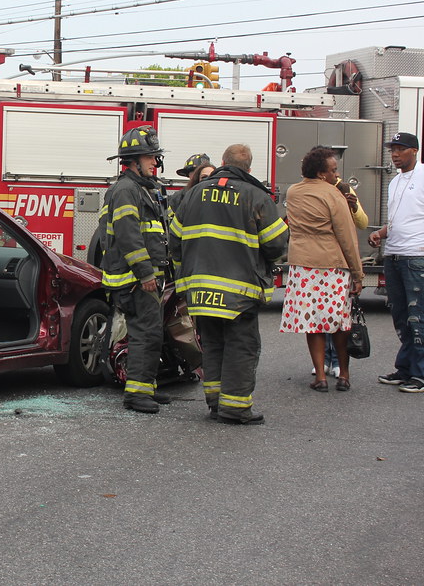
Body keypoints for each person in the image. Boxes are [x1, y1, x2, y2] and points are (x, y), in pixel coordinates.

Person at [169, 144, 288, 424]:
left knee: (212, 345)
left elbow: (174, 241)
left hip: (199, 290)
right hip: (239, 291)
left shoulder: (193, 194)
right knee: (241, 346)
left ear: (223, 162)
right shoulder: (256, 196)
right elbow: (276, 245)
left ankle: (215, 403)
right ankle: (234, 407)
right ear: (248, 168)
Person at [100, 125, 172, 414]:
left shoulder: (140, 190)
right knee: (146, 334)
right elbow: (130, 236)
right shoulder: (127, 190)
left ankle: (147, 387)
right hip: (134, 279)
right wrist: (145, 273)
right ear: (133, 160)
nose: (155, 162)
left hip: (141, 277)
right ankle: (137, 394)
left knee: (151, 333)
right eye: (150, 157)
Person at [280, 146, 364, 392]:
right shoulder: (333, 194)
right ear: (320, 173)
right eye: (333, 170)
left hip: (303, 265)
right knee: (338, 322)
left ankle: (320, 377)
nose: (336, 175)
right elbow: (347, 236)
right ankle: (344, 375)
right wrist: (357, 274)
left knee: (312, 322)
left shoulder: (293, 191)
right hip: (332, 265)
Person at [368, 132, 424, 392]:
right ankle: (404, 370)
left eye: (400, 149)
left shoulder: (423, 176)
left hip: (416, 257)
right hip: (394, 255)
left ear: (414, 150)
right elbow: (399, 221)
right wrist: (380, 233)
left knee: (418, 318)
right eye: (392, 150)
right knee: (401, 316)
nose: (395, 154)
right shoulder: (394, 182)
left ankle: (419, 374)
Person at [322, 175, 369, 376]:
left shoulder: (344, 188)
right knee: (321, 312)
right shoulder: (313, 188)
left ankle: (336, 361)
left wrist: (354, 208)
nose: (333, 174)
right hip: (321, 258)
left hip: (342, 260)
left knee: (339, 314)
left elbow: (363, 223)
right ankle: (324, 358)